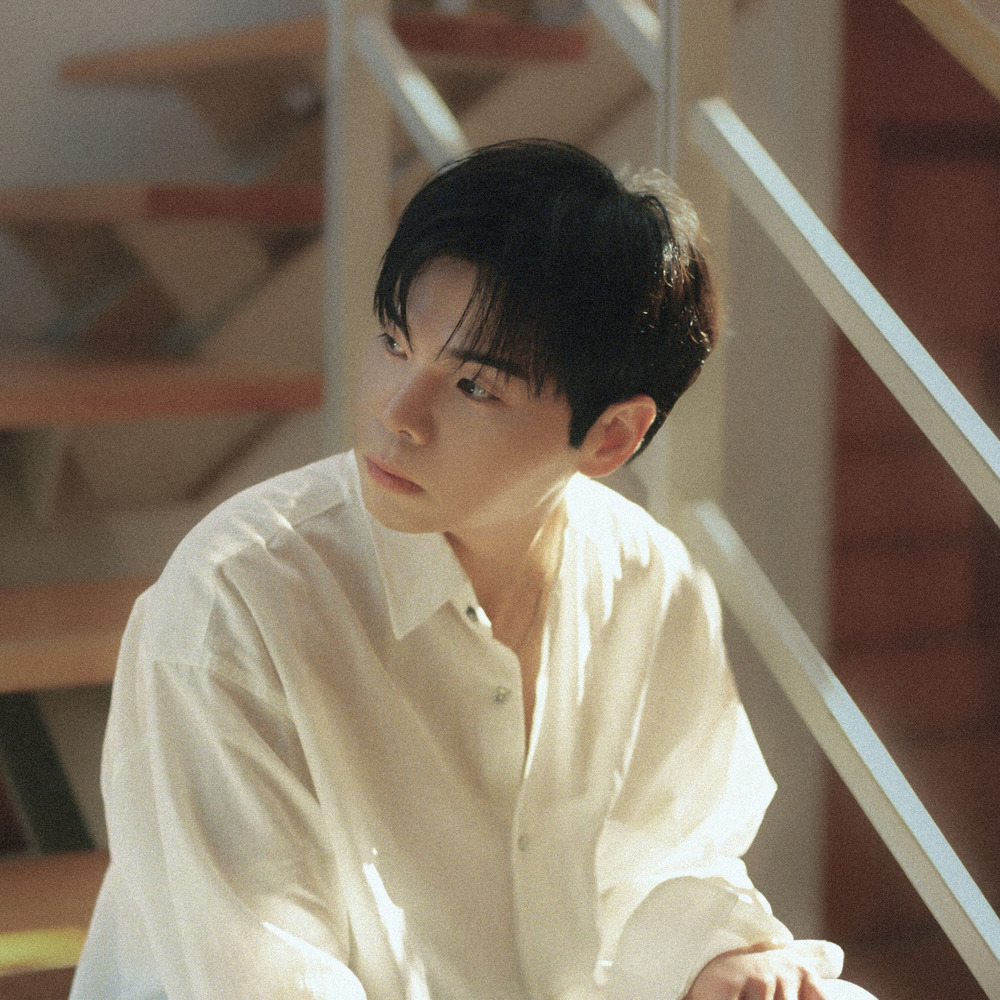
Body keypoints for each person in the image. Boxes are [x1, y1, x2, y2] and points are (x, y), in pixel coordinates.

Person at [71, 139, 870, 1000]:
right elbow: (271, 980)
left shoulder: (651, 581)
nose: (397, 413)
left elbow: (669, 852)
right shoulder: (233, 603)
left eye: (475, 387)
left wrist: (713, 958)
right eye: (394, 342)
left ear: (610, 436)